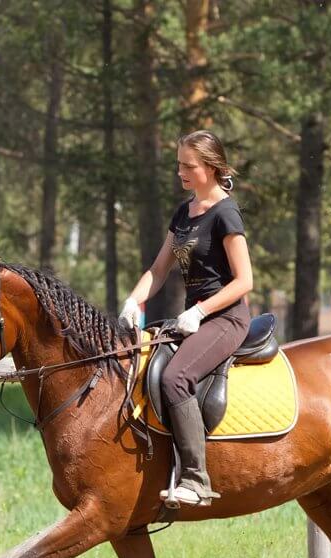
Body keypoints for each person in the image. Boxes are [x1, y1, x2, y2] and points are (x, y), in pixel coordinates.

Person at [118, 130, 254, 507]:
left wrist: (199, 311)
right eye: (178, 164)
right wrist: (134, 300)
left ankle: (196, 478)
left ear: (210, 168)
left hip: (224, 317)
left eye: (188, 166)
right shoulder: (184, 211)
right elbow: (159, 270)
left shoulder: (225, 212)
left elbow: (245, 281)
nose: (180, 171)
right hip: (192, 318)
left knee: (177, 377)